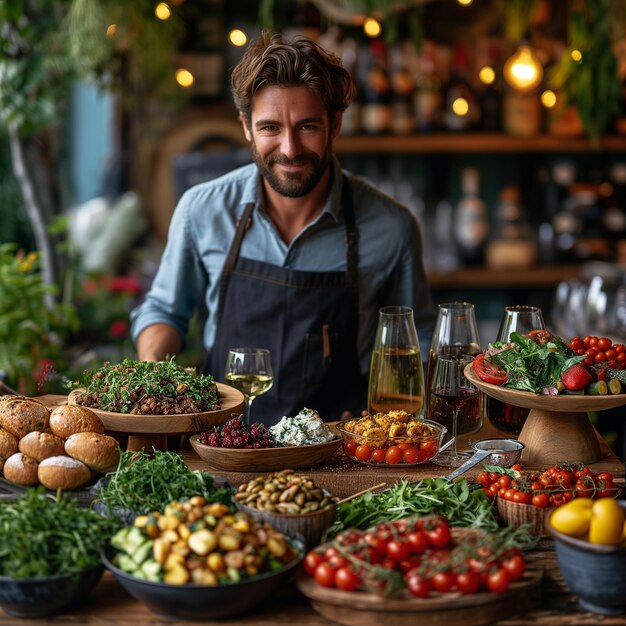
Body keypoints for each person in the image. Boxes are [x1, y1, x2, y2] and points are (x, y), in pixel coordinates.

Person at [130, 31, 434, 426]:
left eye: (307, 126)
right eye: (270, 127)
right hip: (224, 443)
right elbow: (164, 311)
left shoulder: (391, 227)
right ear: (245, 127)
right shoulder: (203, 210)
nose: (290, 148)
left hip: (339, 454)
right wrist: (155, 372)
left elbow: (418, 341)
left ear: (335, 124)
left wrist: (390, 418)